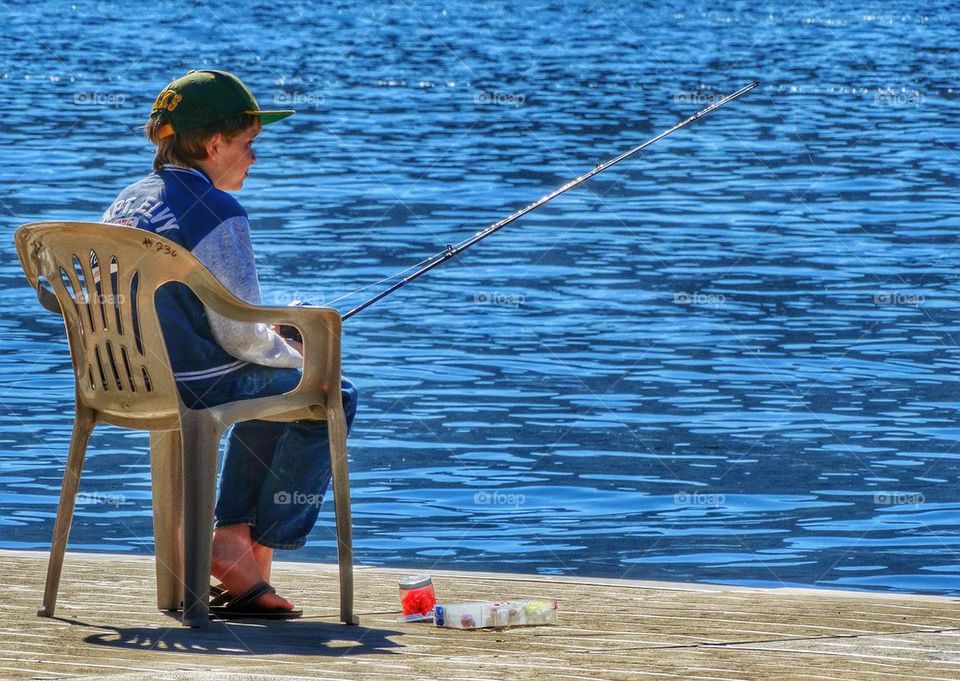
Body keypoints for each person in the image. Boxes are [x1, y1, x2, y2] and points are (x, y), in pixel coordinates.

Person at [101, 69, 358, 618]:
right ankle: (247, 554)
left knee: (277, 385)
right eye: (248, 145)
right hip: (194, 382)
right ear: (215, 144)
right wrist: (301, 353)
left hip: (119, 379)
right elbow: (241, 334)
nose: (254, 159)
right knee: (330, 391)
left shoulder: (128, 200)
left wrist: (273, 347)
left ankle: (238, 541)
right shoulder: (219, 213)